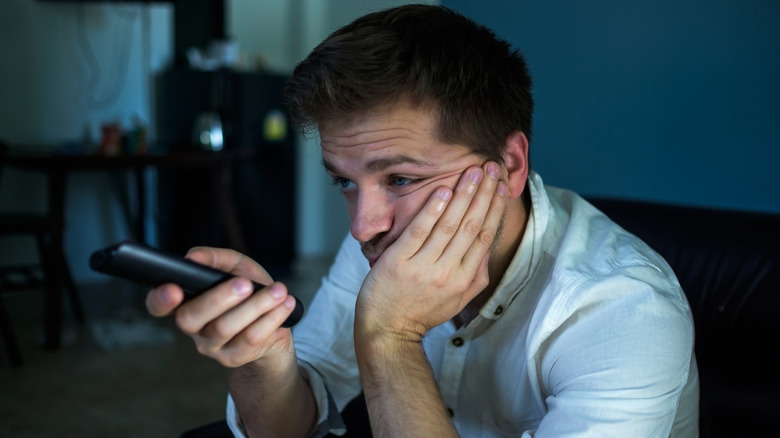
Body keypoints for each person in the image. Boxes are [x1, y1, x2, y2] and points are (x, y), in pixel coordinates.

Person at [146, 4, 699, 437]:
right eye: (344, 181)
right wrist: (262, 360)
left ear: (508, 165)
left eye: (401, 180)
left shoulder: (623, 310)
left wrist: (390, 336)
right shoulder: (386, 236)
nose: (364, 226)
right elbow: (288, 426)